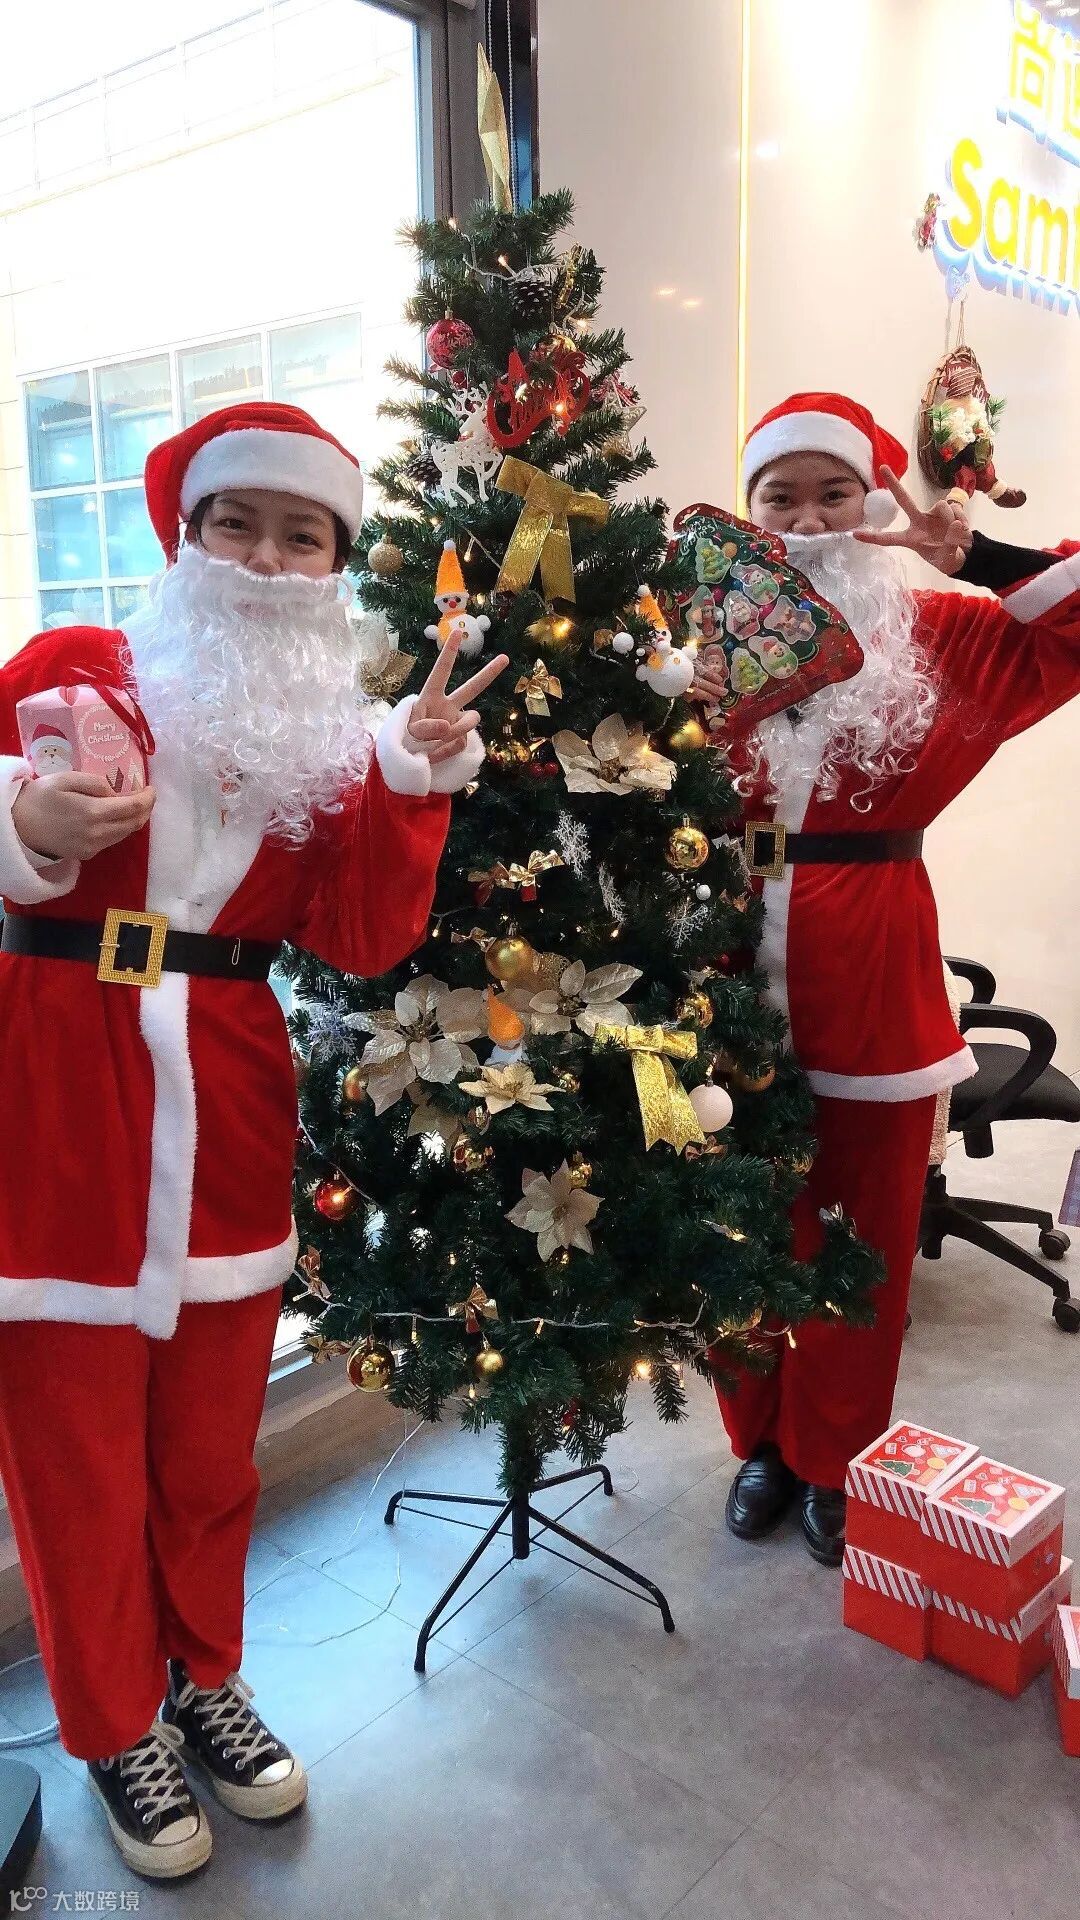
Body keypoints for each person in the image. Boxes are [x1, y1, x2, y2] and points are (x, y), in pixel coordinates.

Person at [0, 401, 508, 1879]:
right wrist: (27, 826)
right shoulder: (74, 665)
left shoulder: (328, 743)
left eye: (306, 537)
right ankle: (116, 1727)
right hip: (62, 1091)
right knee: (77, 1451)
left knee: (209, 1446)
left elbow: (359, 937)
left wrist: (405, 779)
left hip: (225, 1098)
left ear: (337, 566)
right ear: (188, 536)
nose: (271, 561)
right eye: (241, 525)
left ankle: (201, 1676)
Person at [692, 391, 1080, 1568]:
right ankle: (760, 1441)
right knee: (735, 1230)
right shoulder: (696, 637)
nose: (810, 521)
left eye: (836, 495)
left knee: (857, 1239)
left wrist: (983, 558)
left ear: (874, 505)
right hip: (717, 969)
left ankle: (836, 1453)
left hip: (875, 968)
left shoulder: (943, 634)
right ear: (750, 513)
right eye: (782, 498)